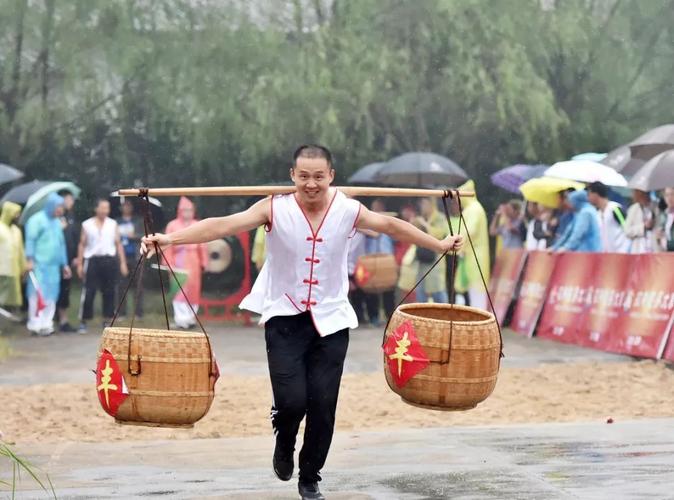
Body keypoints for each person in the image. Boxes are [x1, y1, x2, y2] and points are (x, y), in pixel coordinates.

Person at [141, 144, 464, 500]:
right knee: (293, 402)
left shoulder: (347, 209)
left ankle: (310, 476)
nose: (311, 184)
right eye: (304, 176)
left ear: (331, 176)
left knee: (323, 405)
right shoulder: (273, 208)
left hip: (332, 321)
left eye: (319, 177)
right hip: (284, 318)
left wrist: (438, 244)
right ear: (293, 175)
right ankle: (285, 439)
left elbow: (390, 225)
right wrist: (170, 239)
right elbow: (223, 226)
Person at [77, 199, 128, 334]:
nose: (105, 211)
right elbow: (82, 244)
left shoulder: (112, 224)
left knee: (109, 291)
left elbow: (118, 244)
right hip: (92, 260)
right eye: (103, 208)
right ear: (96, 209)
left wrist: (122, 262)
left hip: (109, 260)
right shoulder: (87, 224)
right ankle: (83, 320)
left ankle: (107, 319)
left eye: (107, 208)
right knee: (89, 291)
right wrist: (80, 263)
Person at [24, 193, 70, 336]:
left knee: (52, 295)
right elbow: (30, 240)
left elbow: (61, 244)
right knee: (37, 295)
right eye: (59, 207)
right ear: (51, 205)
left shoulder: (57, 222)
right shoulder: (35, 220)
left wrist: (65, 264)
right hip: (39, 265)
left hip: (54, 267)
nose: (61, 210)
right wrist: (30, 259)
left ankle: (46, 324)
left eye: (62, 207)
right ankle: (35, 324)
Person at [163, 197, 208, 329]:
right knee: (179, 290)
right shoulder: (172, 225)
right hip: (178, 261)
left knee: (194, 289)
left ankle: (190, 318)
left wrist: (204, 261)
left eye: (190, 210)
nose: (187, 213)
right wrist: (168, 263)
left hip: (194, 260)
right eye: (185, 210)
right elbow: (167, 246)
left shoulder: (197, 224)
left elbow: (203, 243)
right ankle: (181, 319)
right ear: (180, 211)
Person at [455, 179, 490, 310]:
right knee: (469, 290)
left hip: (476, 256)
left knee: (477, 291)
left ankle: (481, 325)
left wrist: (457, 243)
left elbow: (471, 230)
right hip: (469, 255)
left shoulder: (475, 209)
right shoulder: (470, 209)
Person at [363, 199, 396, 325]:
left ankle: (390, 317)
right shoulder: (366, 223)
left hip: (387, 260)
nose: (376, 210)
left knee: (389, 291)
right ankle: (374, 317)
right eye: (374, 208)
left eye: (379, 208)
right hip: (371, 260)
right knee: (372, 290)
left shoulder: (391, 222)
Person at [412, 197, 449, 304]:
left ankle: (445, 316)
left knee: (438, 292)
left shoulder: (440, 218)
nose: (422, 207)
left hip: (435, 261)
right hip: (422, 260)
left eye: (424, 204)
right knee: (421, 292)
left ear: (431, 204)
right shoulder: (421, 218)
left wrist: (425, 224)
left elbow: (440, 234)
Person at [117, 199, 144, 317]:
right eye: (124, 206)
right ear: (121, 208)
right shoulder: (116, 222)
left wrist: (134, 236)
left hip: (136, 256)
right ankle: (122, 312)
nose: (126, 208)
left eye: (128, 205)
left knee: (138, 285)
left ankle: (138, 313)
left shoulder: (138, 221)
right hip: (121, 257)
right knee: (121, 285)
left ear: (131, 208)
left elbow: (143, 235)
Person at [56, 191, 79, 332]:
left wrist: (76, 256)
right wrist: (60, 229)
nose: (71, 202)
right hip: (56, 261)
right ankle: (57, 318)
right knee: (56, 289)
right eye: (69, 199)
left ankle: (63, 320)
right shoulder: (55, 218)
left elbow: (75, 238)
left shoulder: (71, 216)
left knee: (65, 289)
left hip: (69, 260)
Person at [586, 181, 628, 253]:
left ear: (596, 194)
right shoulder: (597, 214)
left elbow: (627, 227)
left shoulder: (615, 208)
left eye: (589, 194)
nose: (588, 198)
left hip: (621, 253)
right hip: (606, 255)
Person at [0, 202, 26, 309]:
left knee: (11, 299)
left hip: (13, 270)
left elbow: (20, 251)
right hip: (1, 270)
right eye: (16, 214)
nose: (17, 216)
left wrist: (23, 267)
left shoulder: (16, 231)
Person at [624, 189, 656, 254]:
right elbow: (627, 231)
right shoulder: (633, 209)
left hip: (654, 249)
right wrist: (643, 226)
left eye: (635, 192)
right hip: (638, 250)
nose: (633, 195)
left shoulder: (656, 206)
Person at [656, 187, 674, 251]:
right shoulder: (664, 214)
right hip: (666, 256)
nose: (669, 198)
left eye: (672, 194)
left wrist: (667, 244)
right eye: (667, 195)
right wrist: (658, 237)